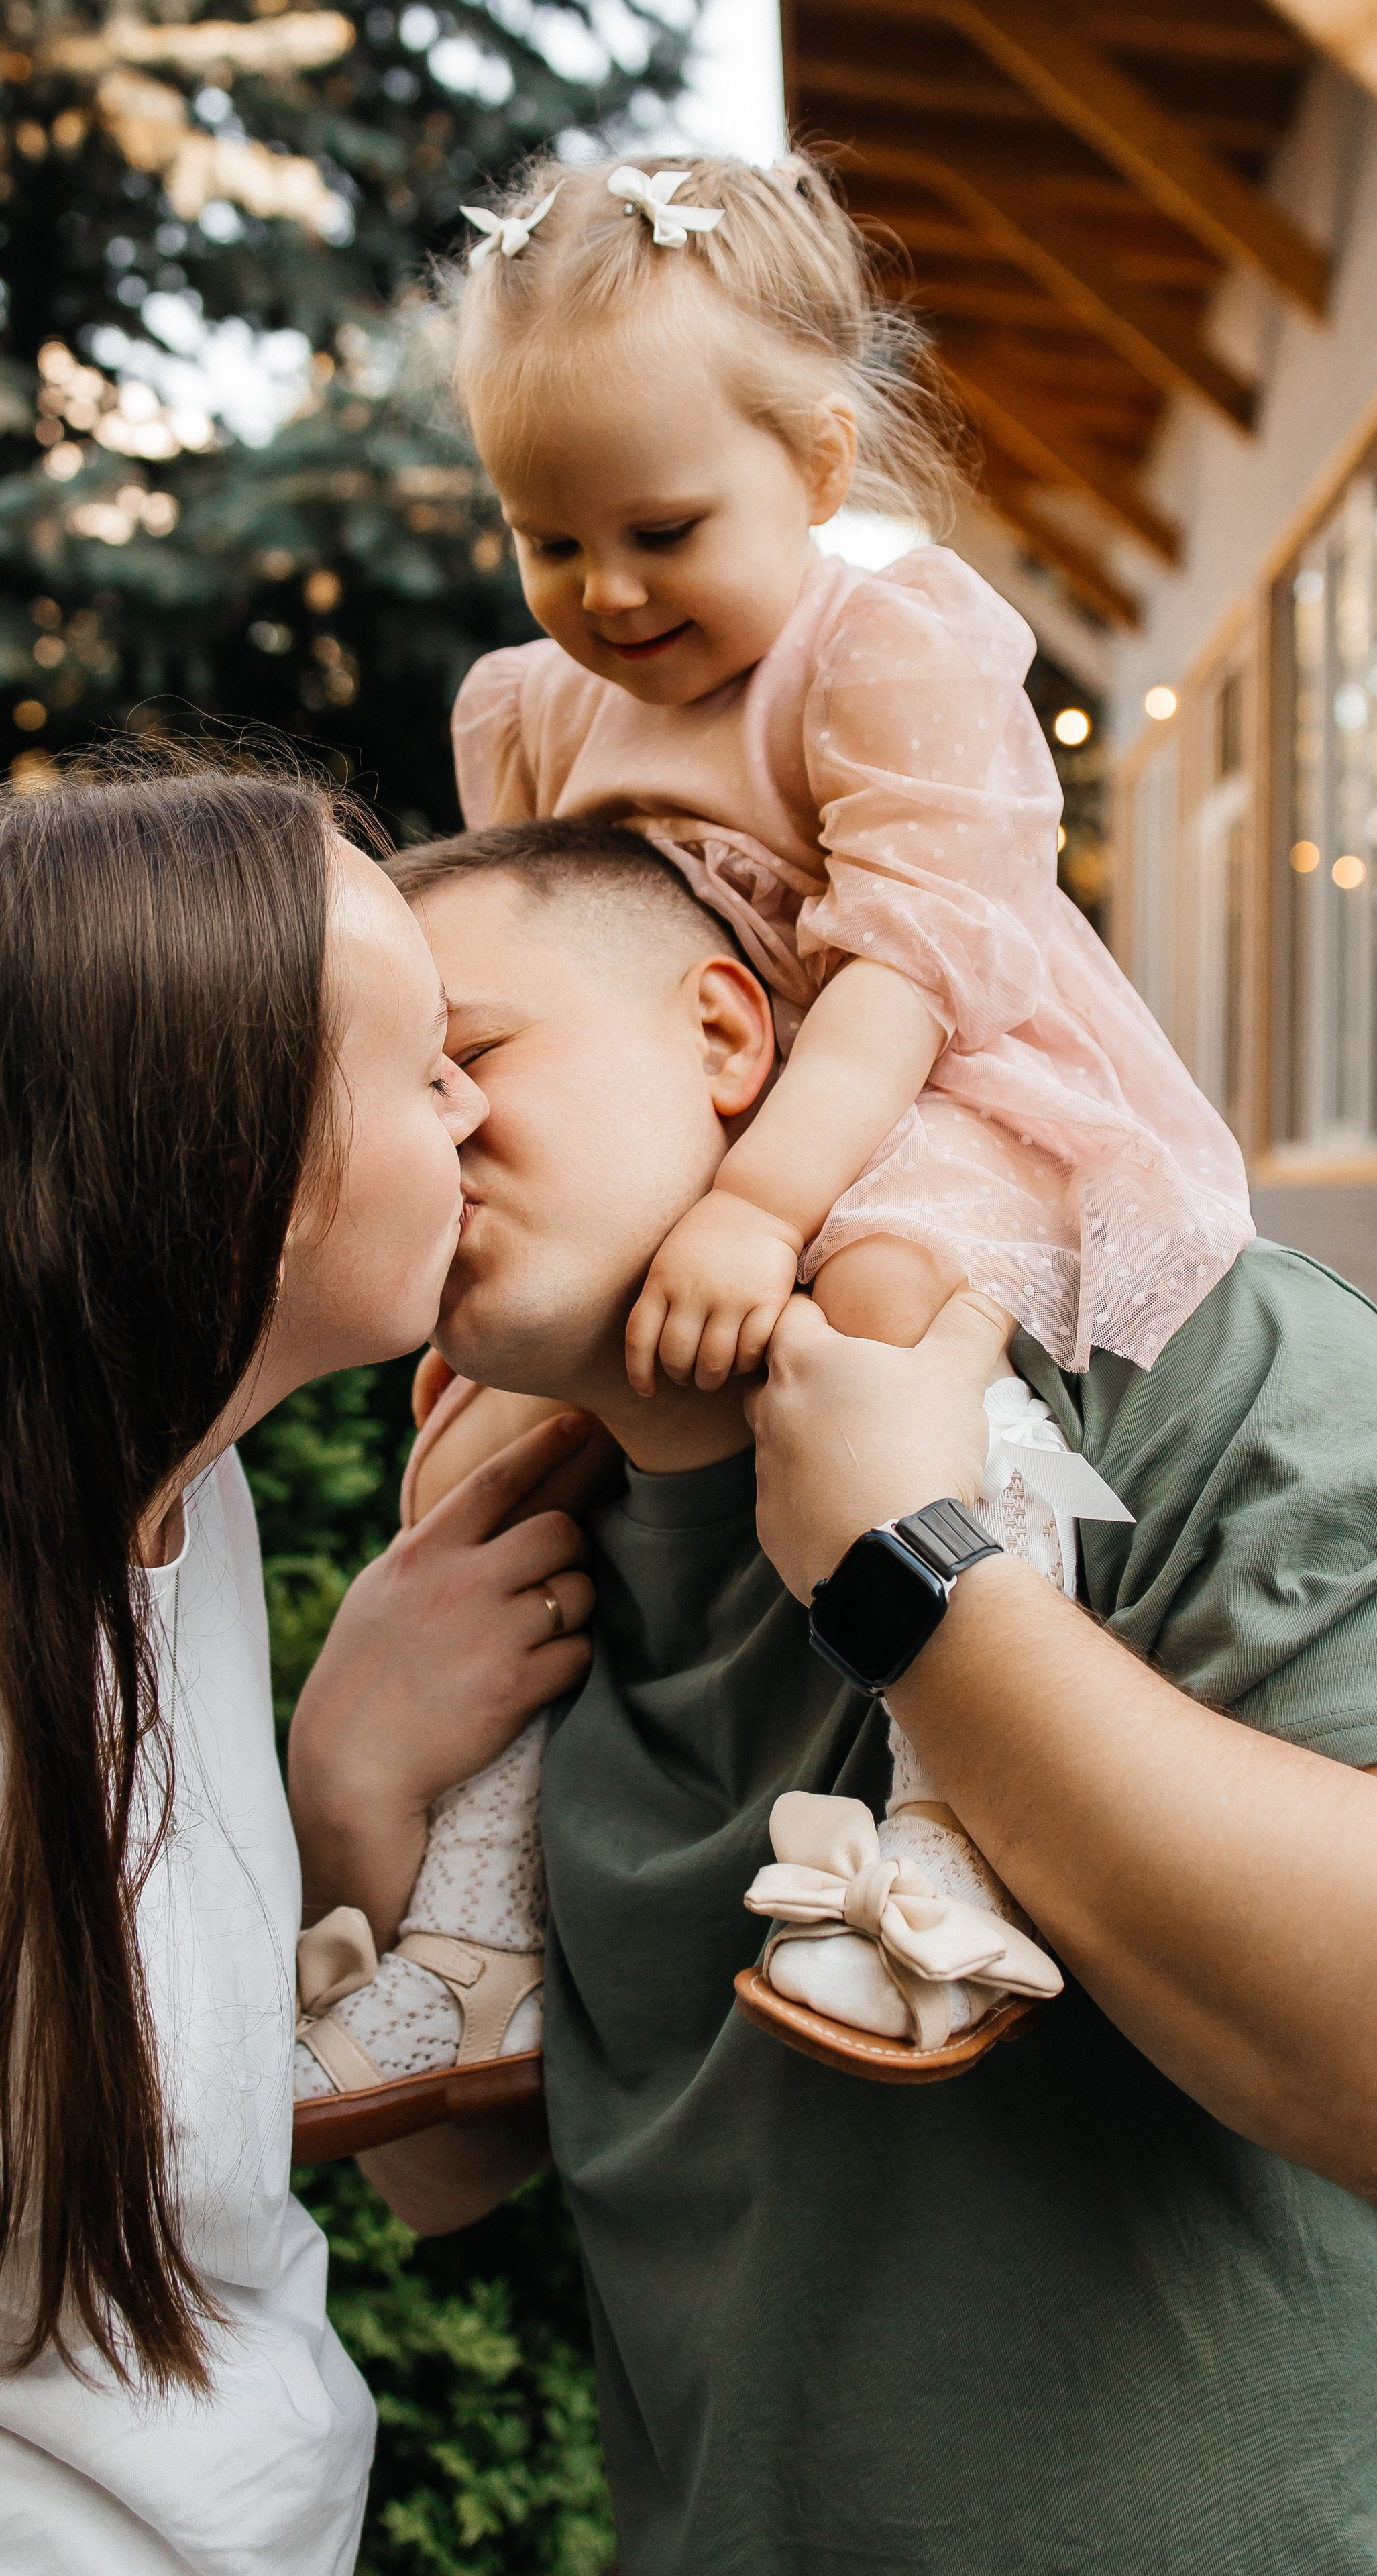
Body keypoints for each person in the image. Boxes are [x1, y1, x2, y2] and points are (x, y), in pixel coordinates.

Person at [292, 826, 1377, 2576]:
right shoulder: (493, 1560)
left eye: (471, 1055)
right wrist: (347, 1796)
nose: (428, 1131)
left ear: (727, 1037)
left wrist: (915, 1583)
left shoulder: (1171, 1352)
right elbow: (443, 2176)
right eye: (368, 1093)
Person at [0, 759, 594, 2573]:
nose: (478, 1111)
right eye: (425, 1069)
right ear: (227, 1162)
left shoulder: (182, 1506)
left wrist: (344, 1789)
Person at [415, 145, 1256, 2054]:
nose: (604, 590)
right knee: (476, 1428)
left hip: (937, 1093)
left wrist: (755, 1209)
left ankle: (953, 1839)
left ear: (810, 468)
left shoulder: (879, 649)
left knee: (882, 1320)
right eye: (548, 538)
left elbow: (909, 975)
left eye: (658, 525)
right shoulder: (532, 704)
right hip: (727, 1121)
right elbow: (573, 964)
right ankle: (473, 1926)